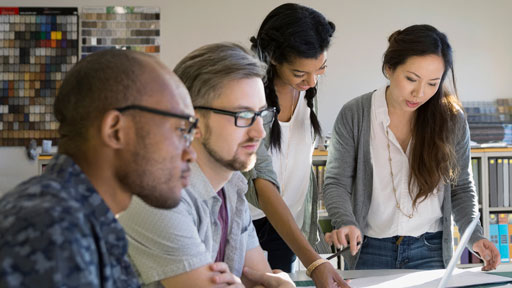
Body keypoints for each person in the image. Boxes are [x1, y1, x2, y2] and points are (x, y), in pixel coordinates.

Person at [0, 49, 228, 287]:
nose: (190, 153)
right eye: (181, 130)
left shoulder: (88, 221)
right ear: (116, 131)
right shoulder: (49, 227)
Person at [323, 24, 501, 271]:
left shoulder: (451, 119)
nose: (419, 93)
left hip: (430, 249)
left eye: (432, 83)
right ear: (389, 68)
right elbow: (336, 182)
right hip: (370, 248)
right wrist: (346, 221)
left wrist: (475, 235)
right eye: (411, 79)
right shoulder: (356, 114)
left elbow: (461, 188)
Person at [118, 43, 296, 288]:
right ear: (193, 121)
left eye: (260, 115)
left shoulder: (232, 187)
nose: (258, 132)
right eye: (243, 116)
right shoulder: (159, 197)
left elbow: (260, 279)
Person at [245, 3, 346, 287]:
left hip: (289, 225)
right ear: (274, 57)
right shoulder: (250, 96)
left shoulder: (305, 91)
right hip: (247, 224)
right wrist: (314, 261)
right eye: (300, 72)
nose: (312, 80)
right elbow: (261, 185)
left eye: (320, 68)